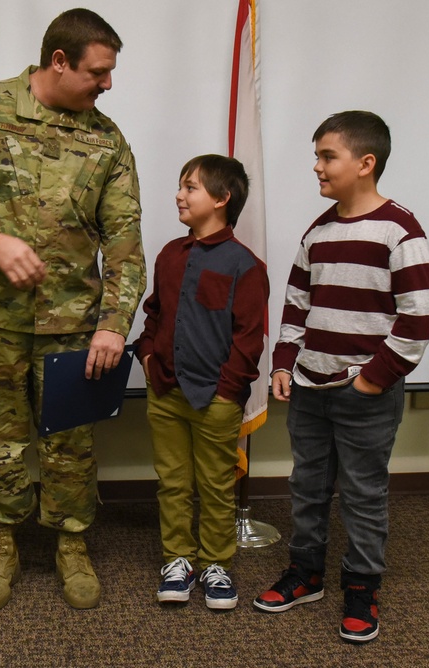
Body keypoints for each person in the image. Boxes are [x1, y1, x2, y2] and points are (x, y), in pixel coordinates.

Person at [0, 8, 145, 611]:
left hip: (72, 323)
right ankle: (2, 545)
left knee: (71, 442)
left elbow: (124, 242)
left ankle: (71, 545)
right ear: (58, 62)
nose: (108, 84)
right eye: (99, 72)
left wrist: (114, 325)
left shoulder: (107, 140)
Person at [253, 111, 429, 643]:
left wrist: (374, 379)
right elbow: (295, 303)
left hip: (366, 394)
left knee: (362, 492)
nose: (316, 166)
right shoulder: (320, 229)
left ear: (365, 162)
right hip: (311, 388)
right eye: (316, 155)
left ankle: (361, 585)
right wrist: (285, 364)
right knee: (307, 486)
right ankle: (305, 574)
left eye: (326, 156)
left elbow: (419, 315)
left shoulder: (401, 230)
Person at [134, 155, 269, 610]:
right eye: (180, 185)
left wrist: (228, 391)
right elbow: (154, 314)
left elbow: (249, 338)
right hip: (166, 391)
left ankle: (216, 563)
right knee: (172, 482)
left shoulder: (244, 265)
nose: (179, 194)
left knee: (215, 483)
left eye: (190, 187)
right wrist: (148, 357)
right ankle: (178, 559)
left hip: (216, 399)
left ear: (221, 198)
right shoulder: (170, 255)